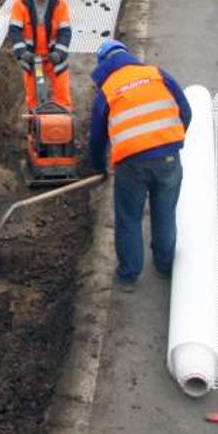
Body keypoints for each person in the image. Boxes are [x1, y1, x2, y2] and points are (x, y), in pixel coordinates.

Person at [88, 39, 191, 291]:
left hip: (131, 164)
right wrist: (169, 141)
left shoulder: (108, 89)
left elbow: (97, 139)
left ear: (104, 64)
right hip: (169, 159)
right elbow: (185, 112)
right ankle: (165, 266)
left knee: (129, 219)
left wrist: (100, 168)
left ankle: (128, 276)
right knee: (165, 213)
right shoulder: (157, 75)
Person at [8, 0, 72, 110]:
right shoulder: (21, 4)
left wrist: (59, 54)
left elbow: (65, 32)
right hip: (31, 58)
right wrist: (23, 53)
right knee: (33, 96)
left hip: (54, 56)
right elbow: (14, 31)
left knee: (62, 92)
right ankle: (35, 122)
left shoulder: (59, 4)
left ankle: (62, 120)